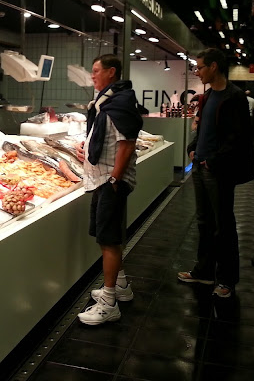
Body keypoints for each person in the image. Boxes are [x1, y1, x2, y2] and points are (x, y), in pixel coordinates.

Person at [178, 48, 254, 298]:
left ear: (213, 67)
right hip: (200, 167)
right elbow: (202, 128)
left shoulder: (234, 97)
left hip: (218, 170)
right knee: (205, 223)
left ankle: (227, 279)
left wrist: (213, 161)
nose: (197, 71)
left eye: (200, 67)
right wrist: (192, 148)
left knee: (224, 225)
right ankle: (204, 271)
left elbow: (238, 138)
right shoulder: (208, 95)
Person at [75, 53, 143, 325]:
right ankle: (121, 286)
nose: (92, 76)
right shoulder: (108, 102)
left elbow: (126, 144)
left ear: (111, 72)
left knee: (109, 241)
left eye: (96, 71)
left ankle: (108, 302)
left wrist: (114, 180)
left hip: (109, 183)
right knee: (107, 238)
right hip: (102, 180)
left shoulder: (119, 103)